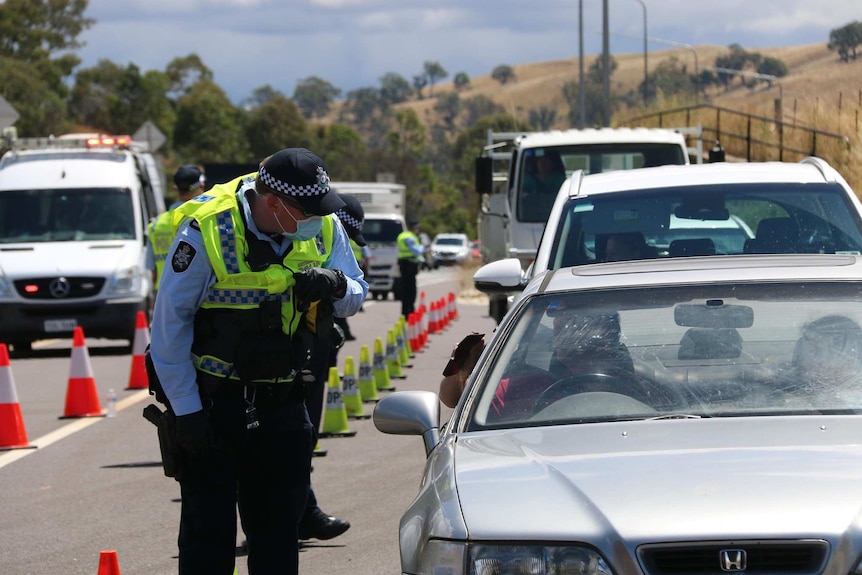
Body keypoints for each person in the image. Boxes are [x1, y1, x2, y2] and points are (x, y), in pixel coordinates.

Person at [149, 147, 368, 575]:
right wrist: (187, 412)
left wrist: (337, 284)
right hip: (213, 404)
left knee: (277, 536)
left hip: (284, 400)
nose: (315, 219)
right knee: (207, 537)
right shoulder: (206, 231)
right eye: (305, 211)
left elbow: (357, 292)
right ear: (273, 203)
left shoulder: (321, 226)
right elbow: (169, 330)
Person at [146, 165, 206, 290]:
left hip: (165, 295)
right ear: (201, 185)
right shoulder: (206, 220)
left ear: (175, 189)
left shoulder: (155, 225)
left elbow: (153, 274)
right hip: (198, 294)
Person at [397, 219, 424, 318]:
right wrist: (422, 247)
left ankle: (405, 311)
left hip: (403, 264)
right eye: (417, 227)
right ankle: (410, 311)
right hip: (410, 264)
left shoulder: (402, 235)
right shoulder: (410, 237)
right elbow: (416, 251)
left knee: (405, 289)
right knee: (411, 289)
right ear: (414, 228)